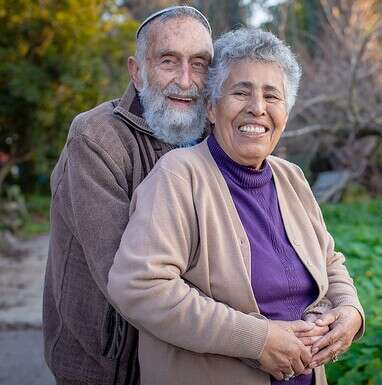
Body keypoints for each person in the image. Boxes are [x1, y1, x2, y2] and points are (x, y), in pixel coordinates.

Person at [107, 28, 364, 385]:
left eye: (272, 96)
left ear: (285, 113)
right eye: (241, 92)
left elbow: (329, 261)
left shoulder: (292, 178)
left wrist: (351, 310)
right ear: (211, 107)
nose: (257, 108)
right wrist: (258, 341)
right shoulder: (179, 175)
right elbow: (138, 285)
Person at [43, 6, 214, 384]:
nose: (186, 81)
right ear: (137, 72)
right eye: (169, 60)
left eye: (199, 64)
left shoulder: (217, 141)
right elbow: (127, 277)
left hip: (193, 364)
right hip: (107, 366)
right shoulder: (96, 138)